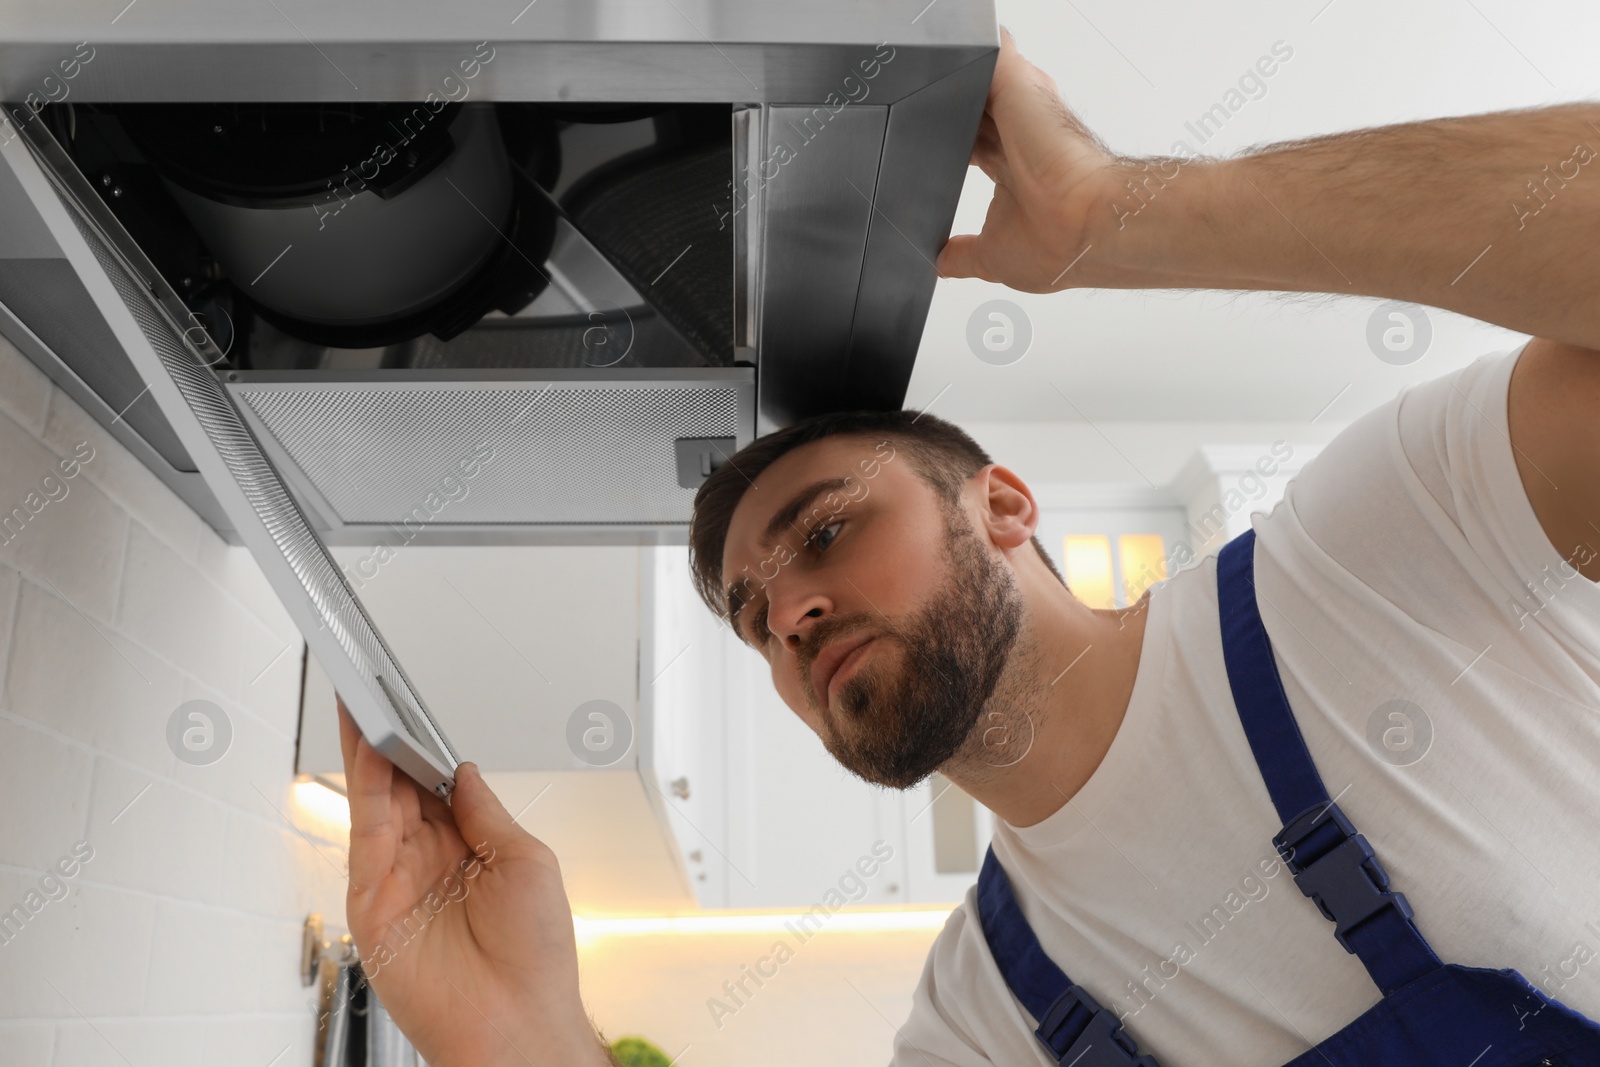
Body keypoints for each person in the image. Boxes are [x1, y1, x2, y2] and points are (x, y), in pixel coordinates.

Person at [336, 25, 1600, 1067]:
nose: (789, 616)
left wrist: (1114, 213)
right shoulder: (990, 1020)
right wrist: (523, 1039)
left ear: (1002, 506)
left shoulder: (1368, 565)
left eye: (826, 529)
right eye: (751, 614)